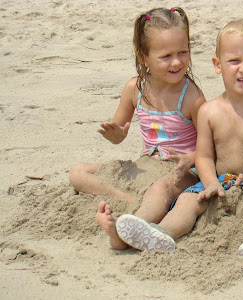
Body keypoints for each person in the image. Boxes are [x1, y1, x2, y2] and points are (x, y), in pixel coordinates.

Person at [116, 19, 243, 266]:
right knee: (188, 201)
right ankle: (163, 233)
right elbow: (204, 156)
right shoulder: (209, 110)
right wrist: (209, 181)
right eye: (234, 61)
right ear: (217, 65)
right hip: (218, 181)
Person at [69, 7, 206, 251]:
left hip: (181, 171)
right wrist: (117, 136)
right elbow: (119, 131)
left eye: (183, 52)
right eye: (166, 56)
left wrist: (191, 158)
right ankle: (130, 200)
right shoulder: (135, 88)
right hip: (144, 165)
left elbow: (212, 145)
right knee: (78, 172)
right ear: (144, 57)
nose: (177, 61)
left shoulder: (192, 97)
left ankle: (129, 230)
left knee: (160, 189)